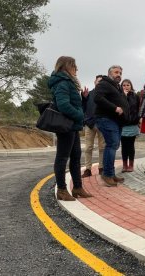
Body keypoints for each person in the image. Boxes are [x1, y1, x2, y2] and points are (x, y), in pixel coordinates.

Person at [47, 56, 92, 201]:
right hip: (66, 126)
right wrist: (80, 115)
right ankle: (61, 190)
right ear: (66, 67)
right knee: (62, 158)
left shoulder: (69, 82)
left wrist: (83, 99)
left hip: (73, 126)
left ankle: (77, 188)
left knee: (76, 157)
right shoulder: (63, 83)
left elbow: (72, 102)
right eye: (74, 66)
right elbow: (63, 105)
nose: (76, 69)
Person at [94, 65, 129, 187]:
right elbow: (97, 97)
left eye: (120, 72)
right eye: (116, 72)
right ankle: (107, 174)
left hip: (116, 120)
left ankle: (111, 173)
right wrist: (114, 108)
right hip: (106, 118)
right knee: (112, 144)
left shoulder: (116, 86)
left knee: (114, 145)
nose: (118, 74)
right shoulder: (104, 83)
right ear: (109, 73)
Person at [81, 75, 105, 177]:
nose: (99, 83)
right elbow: (82, 108)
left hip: (102, 124)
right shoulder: (88, 94)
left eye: (101, 82)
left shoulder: (106, 95)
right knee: (88, 148)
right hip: (90, 124)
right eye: (98, 81)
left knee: (102, 147)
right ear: (94, 82)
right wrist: (84, 98)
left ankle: (101, 168)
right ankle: (88, 169)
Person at [120, 79, 140, 172]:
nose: (126, 87)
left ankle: (131, 165)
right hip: (123, 124)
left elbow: (138, 109)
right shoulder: (119, 96)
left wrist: (137, 119)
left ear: (131, 86)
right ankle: (124, 165)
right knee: (124, 146)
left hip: (132, 124)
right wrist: (124, 96)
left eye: (128, 85)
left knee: (131, 146)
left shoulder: (135, 96)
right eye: (124, 85)